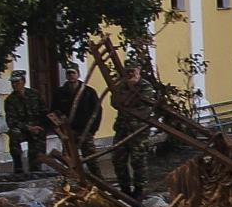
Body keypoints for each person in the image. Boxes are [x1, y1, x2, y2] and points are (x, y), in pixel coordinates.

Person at [110, 55, 158, 198]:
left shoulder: (145, 86)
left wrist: (128, 105)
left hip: (138, 131)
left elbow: (146, 108)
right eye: (128, 71)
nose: (131, 74)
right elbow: (114, 102)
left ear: (139, 70)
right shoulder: (121, 85)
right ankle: (124, 189)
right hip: (122, 129)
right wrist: (127, 101)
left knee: (138, 161)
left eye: (133, 70)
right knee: (118, 159)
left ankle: (138, 190)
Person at [51, 64, 104, 171]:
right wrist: (60, 131)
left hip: (85, 131)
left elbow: (97, 111)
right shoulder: (59, 93)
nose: (71, 75)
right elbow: (53, 112)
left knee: (91, 160)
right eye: (68, 73)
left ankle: (97, 183)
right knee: (69, 162)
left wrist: (92, 130)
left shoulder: (88, 92)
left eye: (73, 73)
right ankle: (72, 184)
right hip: (68, 132)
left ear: (78, 74)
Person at [1, 71, 47, 178]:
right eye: (13, 82)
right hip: (23, 129)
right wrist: (28, 128)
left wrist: (41, 126)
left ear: (23, 81)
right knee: (14, 134)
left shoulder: (34, 94)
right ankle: (18, 168)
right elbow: (11, 121)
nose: (14, 84)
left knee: (37, 146)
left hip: (37, 128)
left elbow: (44, 111)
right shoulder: (10, 100)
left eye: (17, 82)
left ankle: (36, 168)